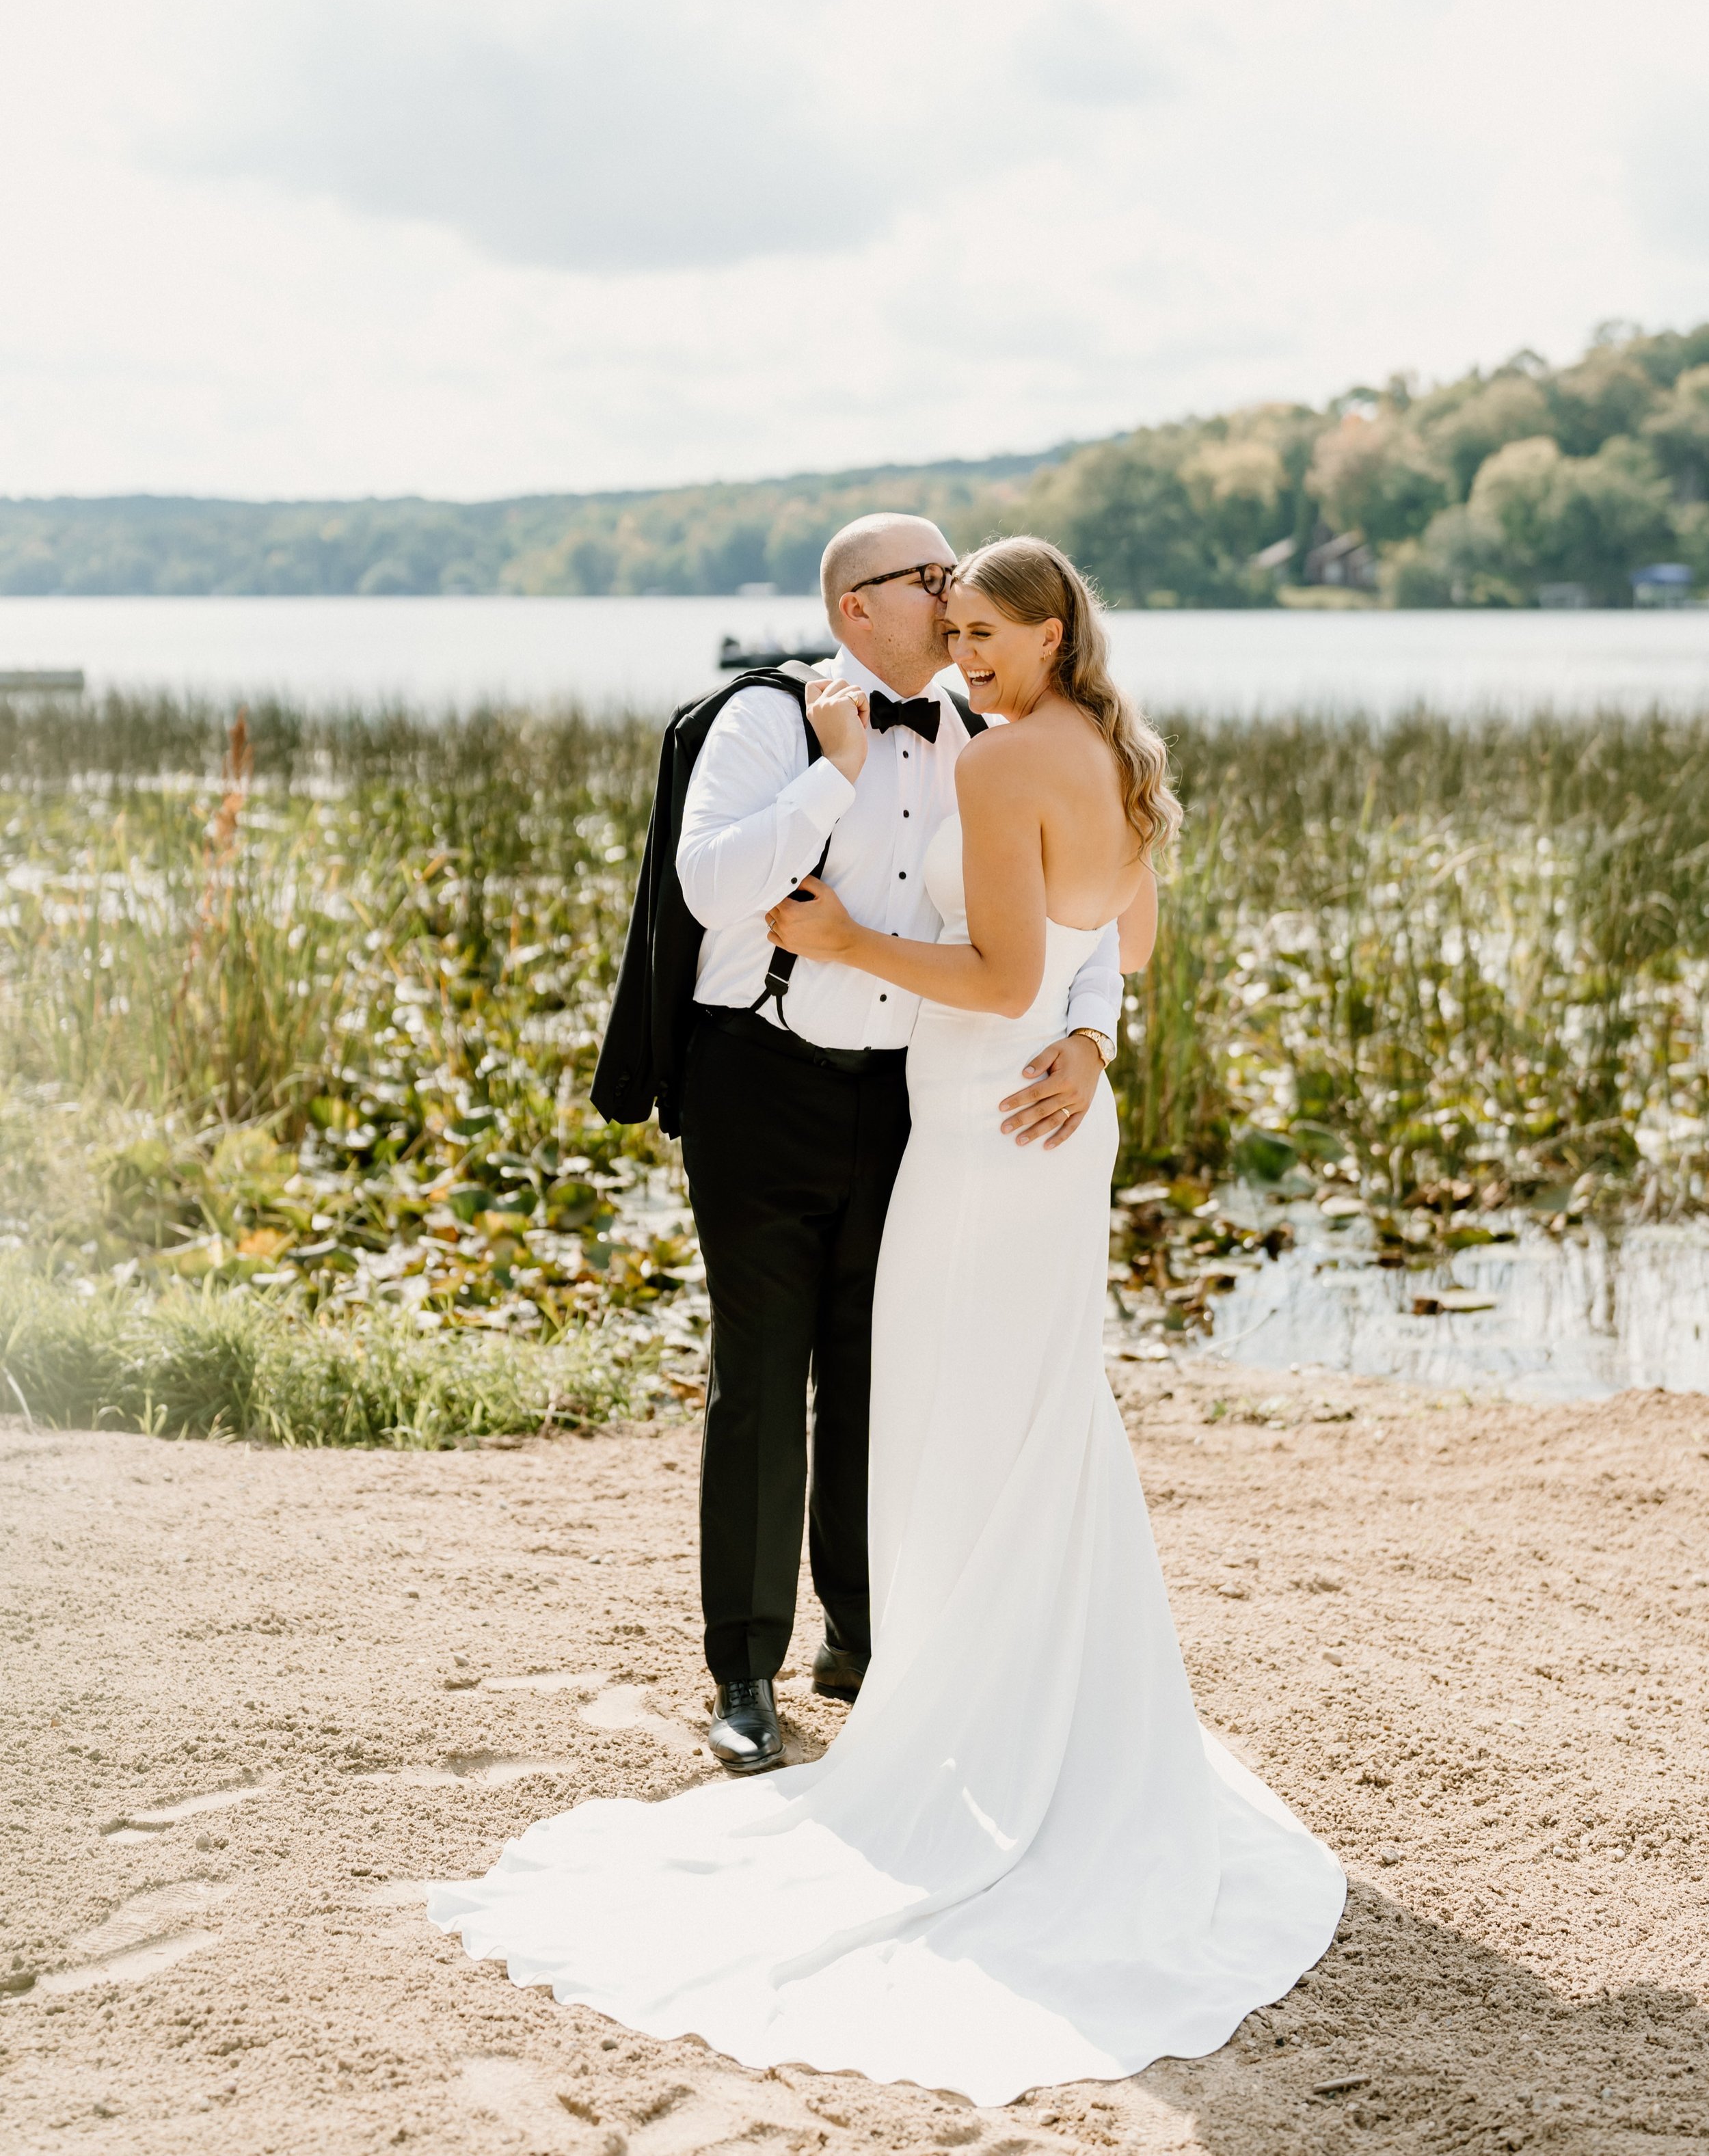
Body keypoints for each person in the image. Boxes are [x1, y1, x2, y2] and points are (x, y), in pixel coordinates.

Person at [427, 536, 1345, 2105]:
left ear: (1037, 634)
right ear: (867, 607)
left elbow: (1056, 958)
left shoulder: (999, 749)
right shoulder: (796, 722)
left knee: (924, 1400)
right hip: (808, 1096)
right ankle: (798, 1669)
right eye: (940, 606)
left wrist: (1054, 1027)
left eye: (977, 616)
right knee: (864, 1394)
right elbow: (748, 888)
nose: (956, 635)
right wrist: (843, 793)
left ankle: (910, 1666)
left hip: (952, 1118)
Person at [669, 512, 1123, 1770]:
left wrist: (1093, 1039)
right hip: (759, 1081)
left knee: (884, 1368)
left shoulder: (996, 731)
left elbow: (1088, 923)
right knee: (762, 1377)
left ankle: (865, 1637)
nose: (949, 595)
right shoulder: (763, 719)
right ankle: (747, 1670)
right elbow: (709, 885)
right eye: (929, 581)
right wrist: (833, 769)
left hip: (913, 1098)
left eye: (956, 582)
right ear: (858, 606)